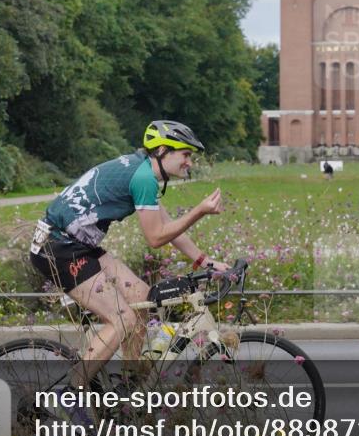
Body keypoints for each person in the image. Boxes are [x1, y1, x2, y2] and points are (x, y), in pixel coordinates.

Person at [29, 120, 228, 411]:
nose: (189, 161)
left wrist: (204, 261)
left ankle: (128, 389)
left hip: (76, 246)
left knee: (143, 300)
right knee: (123, 321)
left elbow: (167, 226)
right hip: (58, 249)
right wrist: (199, 211)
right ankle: (69, 398)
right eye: (185, 154)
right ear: (162, 150)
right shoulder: (143, 177)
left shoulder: (143, 170)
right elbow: (156, 238)